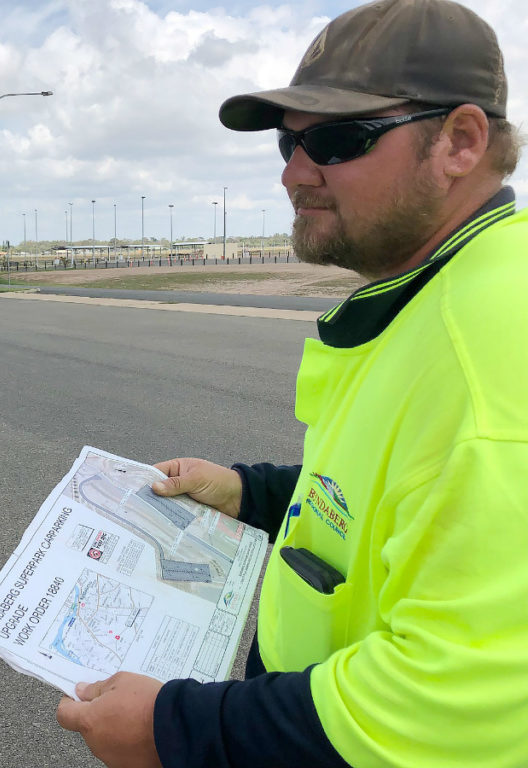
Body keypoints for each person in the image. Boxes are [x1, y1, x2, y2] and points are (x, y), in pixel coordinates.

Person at [56, 0, 528, 765]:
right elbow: (396, 499)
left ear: (461, 142)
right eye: (289, 141)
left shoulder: (494, 350)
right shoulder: (441, 295)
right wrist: (254, 494)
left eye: (337, 140)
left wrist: (176, 728)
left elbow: (466, 699)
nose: (293, 173)